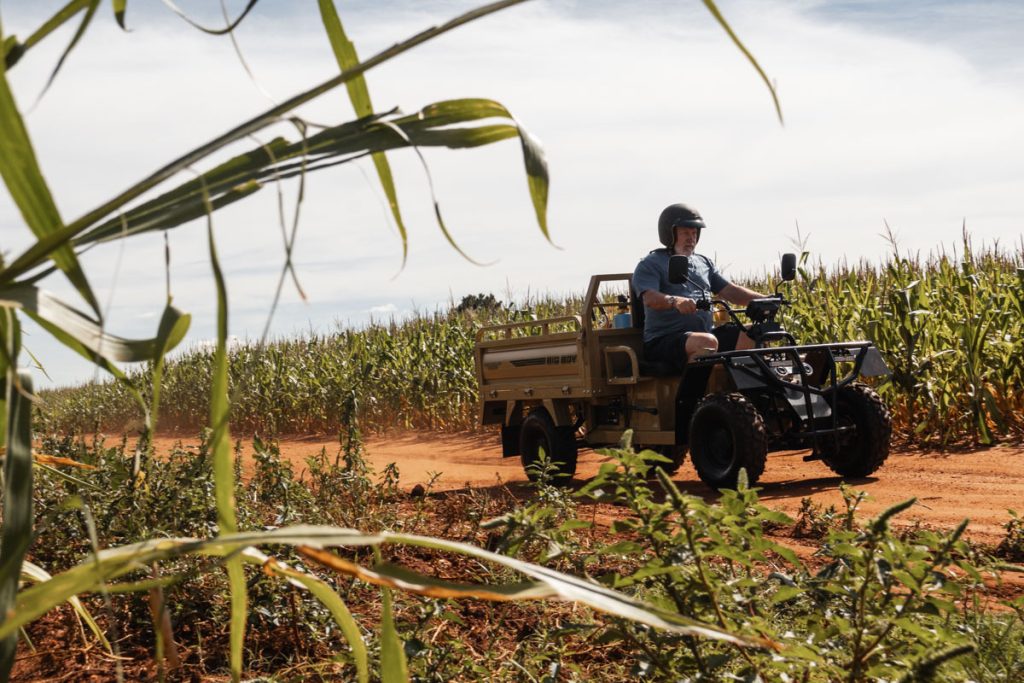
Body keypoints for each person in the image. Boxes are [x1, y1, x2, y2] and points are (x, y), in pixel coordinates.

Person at [632, 203, 767, 370]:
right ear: (670, 234)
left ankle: (740, 387)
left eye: (694, 233)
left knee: (755, 332)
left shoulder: (703, 263)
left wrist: (765, 300)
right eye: (685, 233)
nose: (691, 238)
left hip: (704, 335)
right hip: (664, 341)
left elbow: (730, 291)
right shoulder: (651, 263)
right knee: (707, 342)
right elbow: (650, 298)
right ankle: (700, 394)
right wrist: (675, 301)